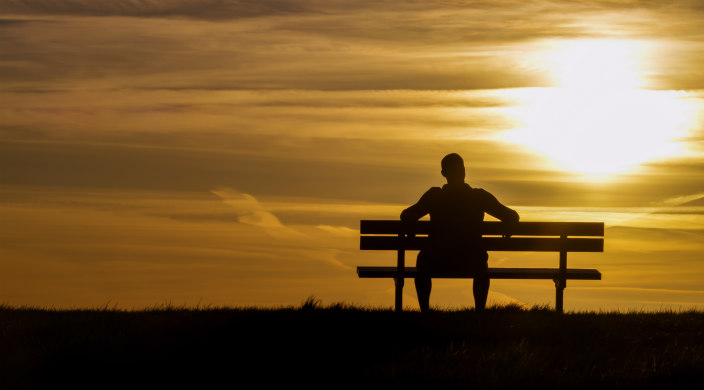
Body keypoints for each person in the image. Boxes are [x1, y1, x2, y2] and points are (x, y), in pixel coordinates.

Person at [400, 153, 519, 312]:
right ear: (464, 171)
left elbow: (406, 215)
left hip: (436, 260)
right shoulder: (479, 197)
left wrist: (411, 229)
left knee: (422, 261)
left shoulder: (434, 196)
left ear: (444, 174)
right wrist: (507, 228)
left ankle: (425, 312)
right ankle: (479, 313)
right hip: (471, 260)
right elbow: (511, 216)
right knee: (481, 264)